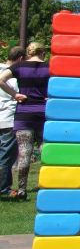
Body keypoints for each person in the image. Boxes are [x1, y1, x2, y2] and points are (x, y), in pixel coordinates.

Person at [0, 42, 50, 200]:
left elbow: (0, 79)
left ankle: (22, 189)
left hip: (24, 114)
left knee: (24, 153)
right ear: (42, 53)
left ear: (29, 53)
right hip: (45, 113)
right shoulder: (50, 67)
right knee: (46, 151)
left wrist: (15, 94)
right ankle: (49, 184)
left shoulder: (19, 66)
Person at [0, 47, 24, 197]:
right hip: (8, 118)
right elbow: (19, 95)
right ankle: (4, 188)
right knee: (6, 155)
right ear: (20, 59)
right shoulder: (14, 75)